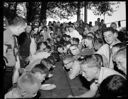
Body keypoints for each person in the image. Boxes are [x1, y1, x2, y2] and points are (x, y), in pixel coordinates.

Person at [3, 16, 27, 94]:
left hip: (9, 71)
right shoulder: (5, 34)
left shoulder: (13, 37)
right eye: (24, 29)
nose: (24, 31)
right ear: (19, 26)